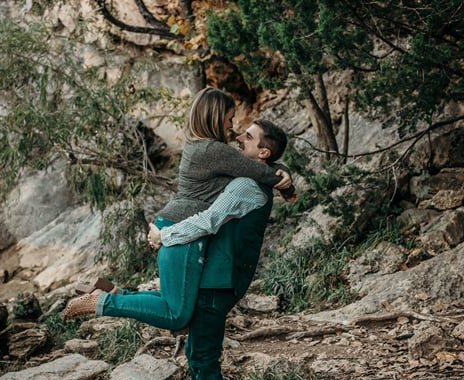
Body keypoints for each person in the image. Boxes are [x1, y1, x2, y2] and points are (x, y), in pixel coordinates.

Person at [60, 88, 294, 327]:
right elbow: (259, 170)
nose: (232, 128)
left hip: (173, 223)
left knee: (174, 301)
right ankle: (102, 301)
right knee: (177, 314)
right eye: (230, 118)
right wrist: (284, 182)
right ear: (215, 116)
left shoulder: (203, 147)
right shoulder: (213, 150)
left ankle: (115, 294)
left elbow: (256, 163)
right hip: (181, 229)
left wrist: (281, 170)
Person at [162, 119, 293, 380]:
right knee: (196, 353)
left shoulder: (247, 185)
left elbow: (208, 221)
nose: (238, 137)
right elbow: (274, 172)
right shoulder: (255, 178)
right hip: (219, 279)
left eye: (247, 137)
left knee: (204, 360)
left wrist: (165, 236)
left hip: (217, 282)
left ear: (262, 153)